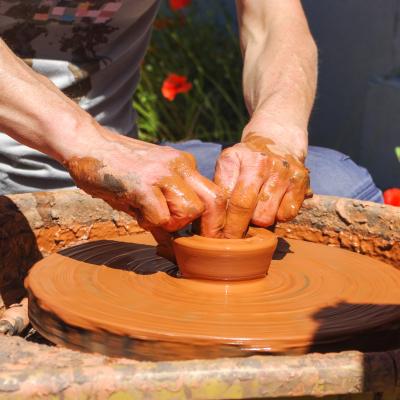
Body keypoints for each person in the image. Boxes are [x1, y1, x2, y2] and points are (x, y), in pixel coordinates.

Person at [0, 0, 382, 242]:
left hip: (128, 171)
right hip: (43, 165)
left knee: (344, 184)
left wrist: (276, 138)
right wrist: (91, 144)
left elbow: (272, 21)